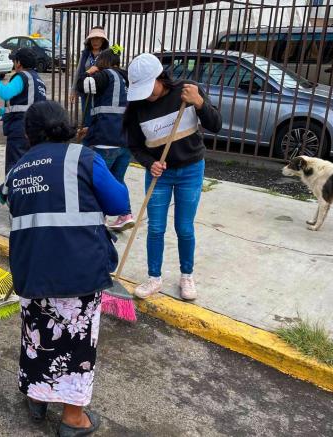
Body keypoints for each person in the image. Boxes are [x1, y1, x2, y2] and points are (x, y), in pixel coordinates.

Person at [2, 101, 128, 436]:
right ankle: (73, 419)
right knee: (77, 342)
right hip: (78, 270)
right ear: (66, 126)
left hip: (31, 270)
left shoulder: (16, 170)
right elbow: (119, 203)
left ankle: (37, 397)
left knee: (38, 335)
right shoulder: (82, 158)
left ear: (28, 133)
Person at [124, 53, 222, 301]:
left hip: (191, 170)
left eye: (150, 89)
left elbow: (216, 124)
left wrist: (199, 103)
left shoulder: (187, 92)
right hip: (160, 174)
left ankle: (186, 275)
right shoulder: (137, 107)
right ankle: (154, 277)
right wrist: (150, 163)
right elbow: (135, 146)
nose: (147, 95)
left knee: (184, 227)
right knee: (156, 227)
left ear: (160, 77)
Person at [77, 45, 135, 232]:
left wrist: (88, 72)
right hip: (126, 139)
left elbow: (82, 86)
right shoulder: (127, 79)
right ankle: (125, 214)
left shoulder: (105, 75)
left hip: (105, 139)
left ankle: (98, 218)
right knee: (118, 179)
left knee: (99, 180)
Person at [0, 47, 47, 174]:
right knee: (31, 168)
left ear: (19, 62)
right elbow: (28, 105)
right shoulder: (38, 80)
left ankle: (12, 193)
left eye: (14, 61)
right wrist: (3, 112)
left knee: (15, 169)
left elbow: (5, 93)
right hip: (36, 130)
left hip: (20, 130)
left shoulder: (22, 77)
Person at [70, 26, 109, 128]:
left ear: (103, 40)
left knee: (99, 115)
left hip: (101, 91)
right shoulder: (85, 54)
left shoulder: (107, 54)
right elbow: (78, 72)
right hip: (86, 90)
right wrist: (73, 90)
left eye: (98, 38)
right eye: (93, 38)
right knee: (87, 116)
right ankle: (87, 138)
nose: (95, 41)